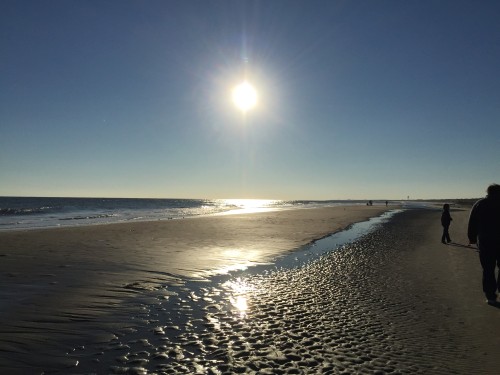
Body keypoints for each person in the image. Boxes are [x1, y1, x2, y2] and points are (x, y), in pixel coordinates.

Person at [468, 184, 500, 304]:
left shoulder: (480, 204)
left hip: (486, 241)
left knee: (488, 269)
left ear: (488, 192)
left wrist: (471, 238)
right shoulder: (480, 204)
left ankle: (490, 296)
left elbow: (472, 222)